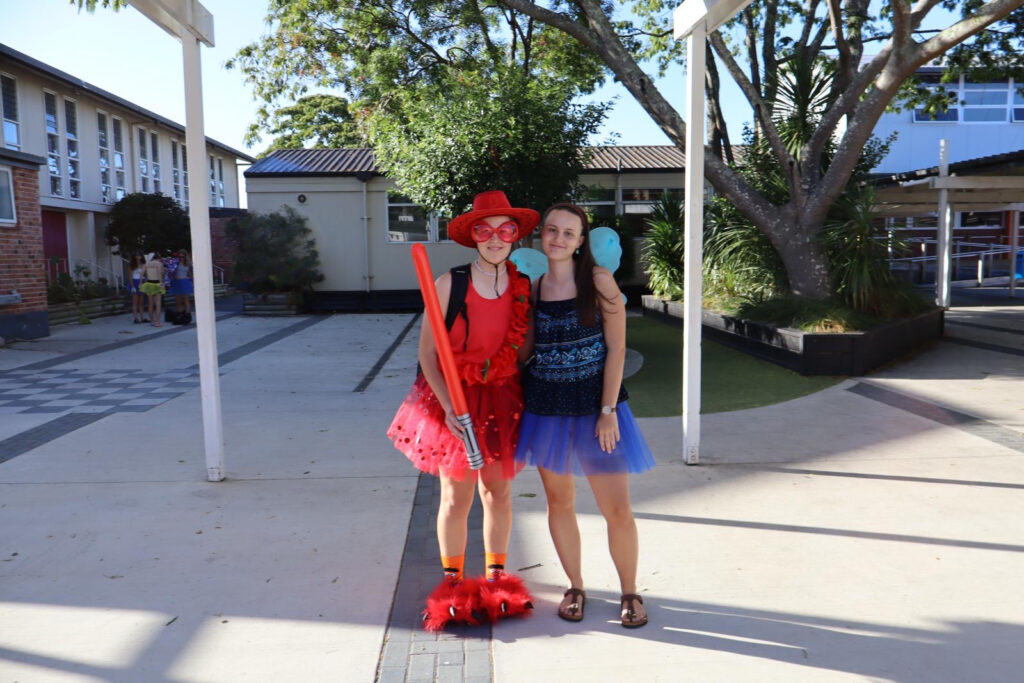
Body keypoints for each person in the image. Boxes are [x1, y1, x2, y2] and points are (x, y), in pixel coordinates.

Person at [387, 190, 538, 630]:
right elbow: (428, 354)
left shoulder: (523, 287)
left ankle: (497, 578)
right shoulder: (449, 283)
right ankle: (452, 582)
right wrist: (450, 407)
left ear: (515, 236)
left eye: (505, 230)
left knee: (498, 493)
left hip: (503, 398)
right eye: (484, 230)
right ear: (473, 236)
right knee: (456, 497)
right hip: (453, 399)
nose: (495, 238)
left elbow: (522, 351)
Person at [515, 203, 656, 628]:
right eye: (551, 230)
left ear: (580, 241)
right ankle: (575, 587)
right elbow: (526, 352)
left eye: (568, 233)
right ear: (541, 234)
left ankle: (630, 592)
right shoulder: (534, 287)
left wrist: (608, 410)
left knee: (617, 509)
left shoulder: (597, 280)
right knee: (559, 502)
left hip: (598, 410)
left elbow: (617, 349)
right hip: (546, 409)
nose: (558, 238)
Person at [138, 252, 166, 327]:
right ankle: (158, 322)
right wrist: (161, 284)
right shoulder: (159, 264)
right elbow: (159, 274)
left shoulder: (146, 264)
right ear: (158, 257)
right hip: (157, 283)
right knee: (158, 304)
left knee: (150, 303)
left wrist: (140, 283)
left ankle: (152, 321)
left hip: (149, 283)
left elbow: (141, 274)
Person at [171, 250, 194, 320]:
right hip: (177, 282)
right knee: (178, 300)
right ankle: (179, 314)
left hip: (185, 282)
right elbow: (171, 272)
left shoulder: (187, 264)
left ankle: (188, 315)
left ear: (185, 257)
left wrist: (193, 281)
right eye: (180, 256)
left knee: (186, 300)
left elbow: (189, 274)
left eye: (182, 257)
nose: (181, 258)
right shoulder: (175, 263)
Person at [128, 253, 146, 324]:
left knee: (141, 302)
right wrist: (132, 286)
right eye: (137, 255)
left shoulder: (143, 264)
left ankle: (142, 318)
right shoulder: (131, 265)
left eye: (139, 255)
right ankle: (135, 318)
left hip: (142, 282)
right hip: (135, 282)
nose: (138, 257)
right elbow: (130, 276)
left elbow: (144, 274)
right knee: (135, 302)